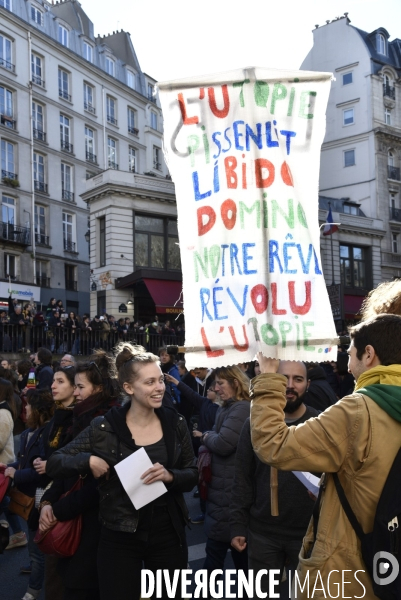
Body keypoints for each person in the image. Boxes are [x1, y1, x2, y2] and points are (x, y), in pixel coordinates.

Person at [250, 313, 401, 598]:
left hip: (349, 571)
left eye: (350, 351)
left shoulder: (358, 410)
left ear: (368, 354)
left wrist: (269, 377)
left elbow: (272, 444)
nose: (347, 359)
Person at [46, 343, 198, 600]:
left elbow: (192, 472)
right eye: (150, 382)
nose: (159, 387)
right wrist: (89, 461)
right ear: (128, 388)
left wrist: (171, 476)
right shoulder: (104, 426)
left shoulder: (176, 422)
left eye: (160, 380)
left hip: (167, 533)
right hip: (119, 535)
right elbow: (55, 462)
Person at [230, 361, 319, 596]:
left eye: (298, 379)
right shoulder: (254, 424)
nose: (290, 386)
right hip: (262, 534)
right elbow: (242, 477)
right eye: (284, 378)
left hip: (309, 534)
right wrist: (238, 525)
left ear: (307, 385)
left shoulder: (320, 425)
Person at [200, 366, 250, 586]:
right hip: (222, 491)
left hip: (230, 492)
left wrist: (206, 436)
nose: (216, 388)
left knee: (223, 559)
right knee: (236, 562)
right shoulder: (227, 408)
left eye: (221, 383)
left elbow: (222, 443)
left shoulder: (241, 409)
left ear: (236, 383)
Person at [2, 388, 54, 600]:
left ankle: (33, 589)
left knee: (37, 542)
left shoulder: (45, 435)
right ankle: (35, 565)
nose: (24, 409)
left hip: (38, 496)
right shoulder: (28, 433)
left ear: (38, 410)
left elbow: (41, 473)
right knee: (35, 544)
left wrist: (16, 473)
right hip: (27, 496)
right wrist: (9, 467)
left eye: (28, 406)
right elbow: (24, 462)